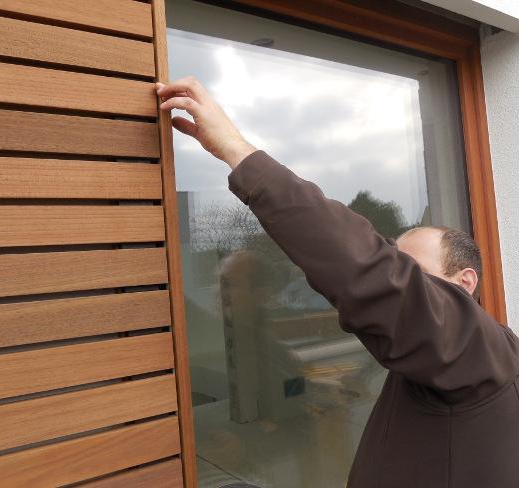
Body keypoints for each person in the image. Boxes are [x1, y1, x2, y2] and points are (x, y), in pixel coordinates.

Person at [156, 77, 519, 488]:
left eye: (410, 270)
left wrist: (236, 150)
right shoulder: (435, 363)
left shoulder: (478, 353)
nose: (398, 278)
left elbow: (366, 270)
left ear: (465, 281)